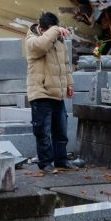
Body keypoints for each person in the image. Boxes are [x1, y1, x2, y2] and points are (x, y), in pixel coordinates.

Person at [25, 12, 77, 173]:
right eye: (51, 30)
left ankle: (61, 161)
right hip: (41, 93)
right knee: (43, 132)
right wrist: (55, 30)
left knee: (61, 131)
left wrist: (69, 84)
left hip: (58, 93)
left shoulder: (58, 42)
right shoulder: (32, 41)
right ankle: (45, 163)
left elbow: (66, 65)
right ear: (42, 30)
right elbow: (41, 45)